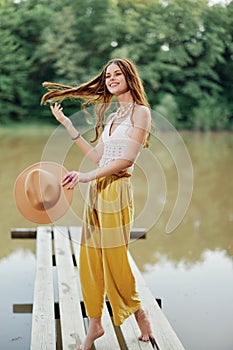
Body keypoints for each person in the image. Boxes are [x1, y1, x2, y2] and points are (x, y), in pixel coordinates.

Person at [41, 58, 154, 350]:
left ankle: (138, 313)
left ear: (129, 77)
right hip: (97, 191)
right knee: (90, 259)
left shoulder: (141, 113)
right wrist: (67, 126)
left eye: (117, 74)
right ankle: (95, 323)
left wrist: (87, 176)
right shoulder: (115, 117)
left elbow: (126, 160)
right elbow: (96, 157)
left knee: (115, 257)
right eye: (107, 76)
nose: (111, 79)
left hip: (117, 189)